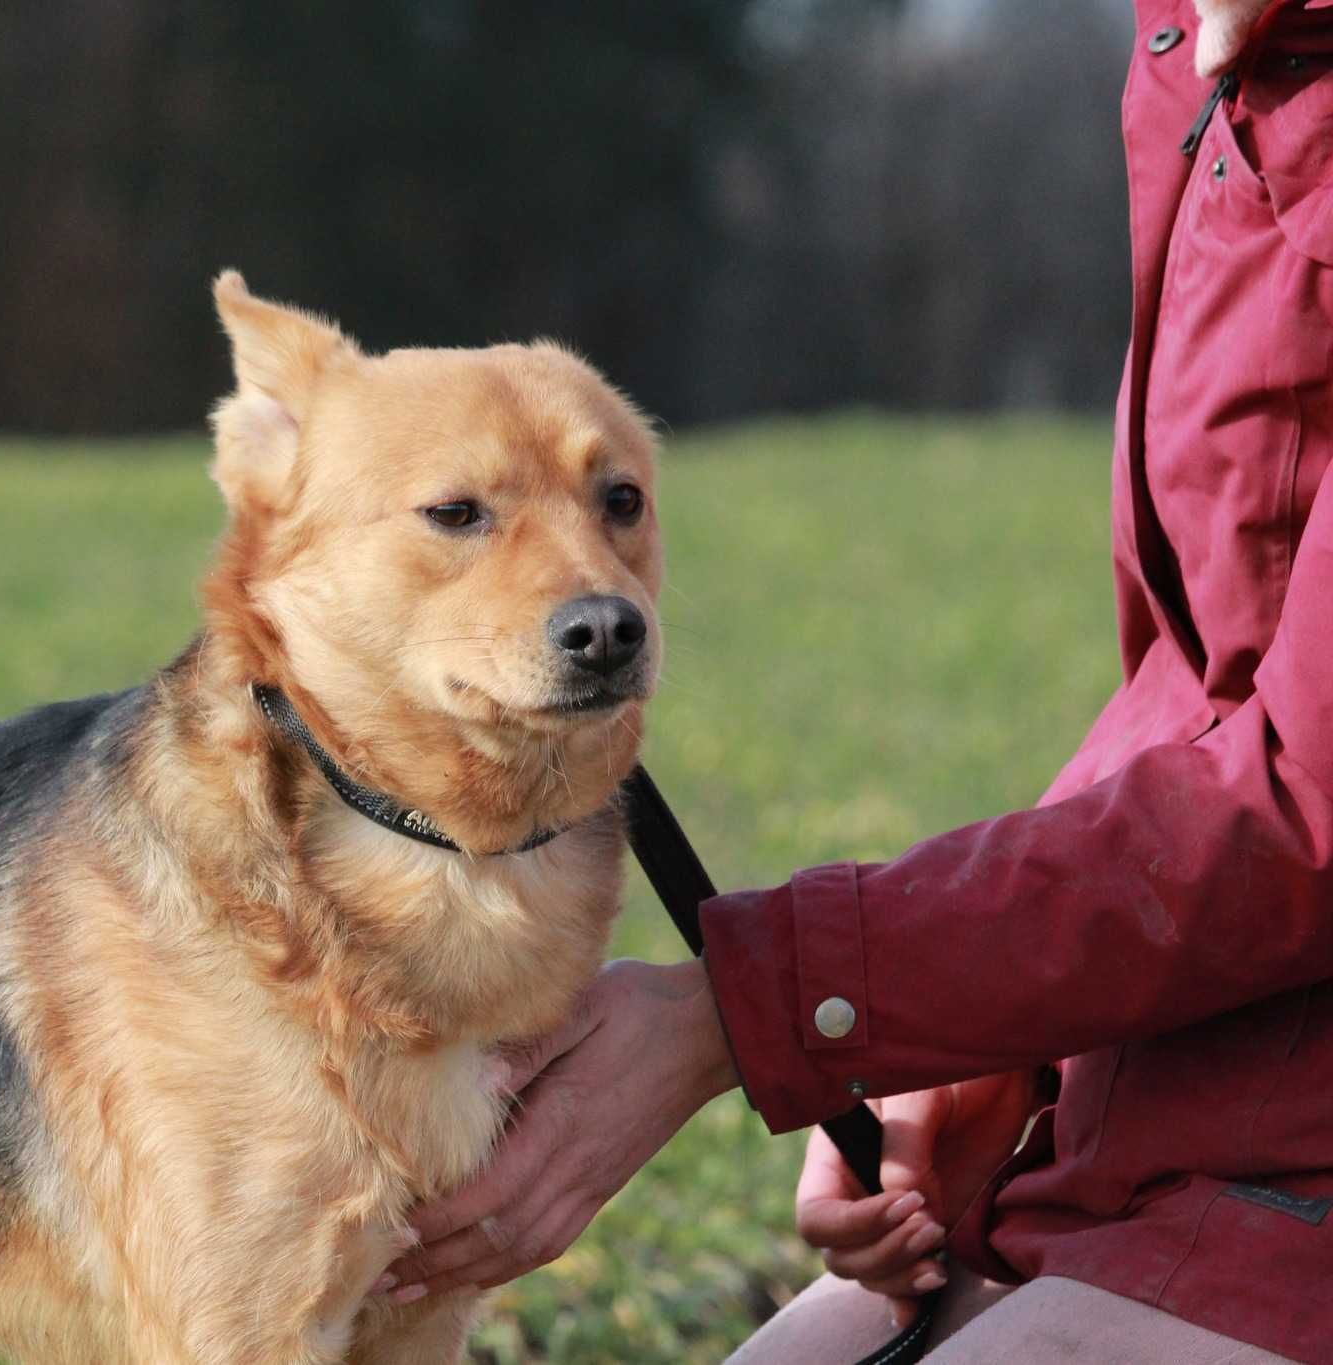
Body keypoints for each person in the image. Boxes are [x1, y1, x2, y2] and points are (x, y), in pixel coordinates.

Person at [380, 1, 1333, 1359]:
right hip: (1162, 1114)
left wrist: (761, 1008)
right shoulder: (1203, 57)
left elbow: (1304, 807)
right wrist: (960, 1073)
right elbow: (1206, 692)